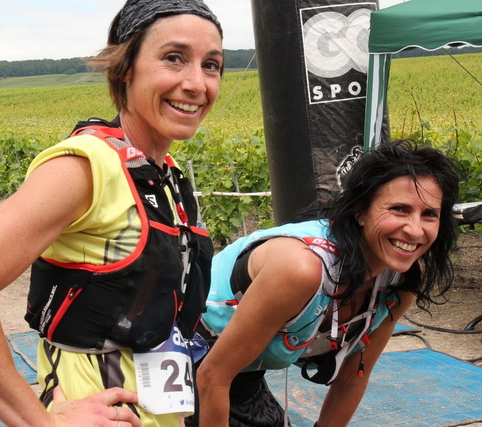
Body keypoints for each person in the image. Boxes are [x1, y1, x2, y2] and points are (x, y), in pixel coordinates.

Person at [0, 0, 223, 425]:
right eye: (174, 58)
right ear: (125, 68)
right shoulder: (84, 167)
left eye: (212, 65)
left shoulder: (161, 172)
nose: (196, 83)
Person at [190, 140, 461, 426]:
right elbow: (212, 377)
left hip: (241, 377)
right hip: (180, 359)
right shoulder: (301, 269)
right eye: (399, 209)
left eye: (429, 214)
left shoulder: (399, 283)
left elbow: (352, 378)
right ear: (360, 211)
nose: (415, 230)